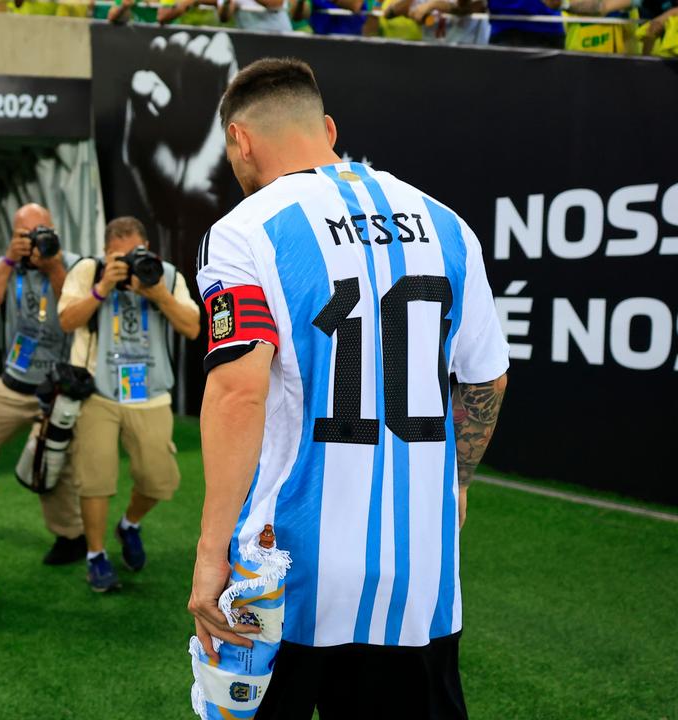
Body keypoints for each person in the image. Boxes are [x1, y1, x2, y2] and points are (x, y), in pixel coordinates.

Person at [187, 58, 509, 719]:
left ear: (241, 141)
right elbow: (486, 377)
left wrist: (209, 550)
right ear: (327, 128)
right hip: (417, 579)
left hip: (283, 575)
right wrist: (459, 482)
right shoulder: (446, 223)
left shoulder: (246, 230)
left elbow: (239, 391)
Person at [57, 217, 200, 592]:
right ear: (106, 254)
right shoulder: (89, 271)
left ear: (148, 250)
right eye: (119, 257)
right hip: (98, 391)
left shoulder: (164, 275)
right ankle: (96, 556)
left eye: (137, 254)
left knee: (159, 480)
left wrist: (158, 295)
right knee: (96, 478)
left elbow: (193, 327)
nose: (129, 263)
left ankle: (129, 525)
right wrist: (103, 286)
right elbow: (67, 320)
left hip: (150, 391)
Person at [0, 204, 87, 565]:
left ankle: (70, 536)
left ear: (54, 231)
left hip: (58, 387)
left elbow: (76, 314)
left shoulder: (76, 265)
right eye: (24, 234)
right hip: (14, 381)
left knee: (51, 463)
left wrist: (54, 266)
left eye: (40, 231)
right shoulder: (10, 268)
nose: (33, 241)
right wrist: (6, 261)